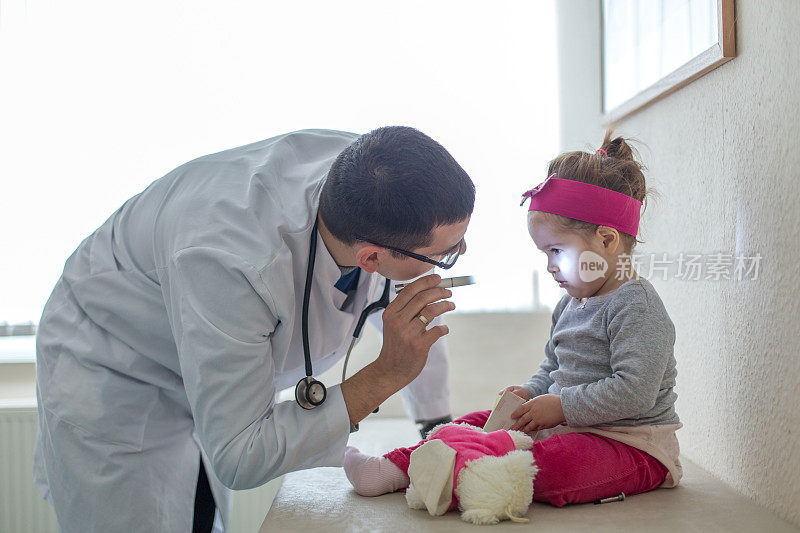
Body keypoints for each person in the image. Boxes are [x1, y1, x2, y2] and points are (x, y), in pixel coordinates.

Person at [33, 126, 475, 532]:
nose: (454, 258)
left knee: (200, 513)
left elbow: (410, 315)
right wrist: (382, 378)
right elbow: (240, 455)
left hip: (196, 336)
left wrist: (435, 427)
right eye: (445, 255)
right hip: (116, 366)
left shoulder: (379, 182)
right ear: (371, 259)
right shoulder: (232, 262)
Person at [343, 132, 682, 516]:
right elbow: (554, 367)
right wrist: (531, 391)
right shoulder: (571, 303)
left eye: (557, 251)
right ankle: (395, 467)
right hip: (570, 425)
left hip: (629, 443)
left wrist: (561, 407)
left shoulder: (637, 307)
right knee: (480, 421)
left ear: (606, 240)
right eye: (545, 253)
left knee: (555, 465)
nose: (550, 266)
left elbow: (634, 392)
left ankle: (458, 471)